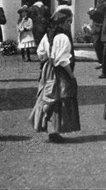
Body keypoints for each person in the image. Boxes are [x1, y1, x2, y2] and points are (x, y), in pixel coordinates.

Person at [29, 8, 80, 143]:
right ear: (62, 23)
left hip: (48, 69)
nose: (70, 25)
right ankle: (55, 130)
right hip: (60, 71)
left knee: (49, 96)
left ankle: (51, 128)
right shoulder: (63, 37)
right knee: (61, 97)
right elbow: (63, 60)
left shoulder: (47, 36)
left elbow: (41, 54)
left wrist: (48, 62)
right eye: (68, 22)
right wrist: (71, 75)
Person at [88, 0, 106, 70]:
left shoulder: (103, 6)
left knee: (98, 45)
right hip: (96, 28)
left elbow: (99, 16)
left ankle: (102, 62)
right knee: (97, 45)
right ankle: (101, 62)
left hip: (99, 28)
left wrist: (92, 13)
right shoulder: (98, 5)